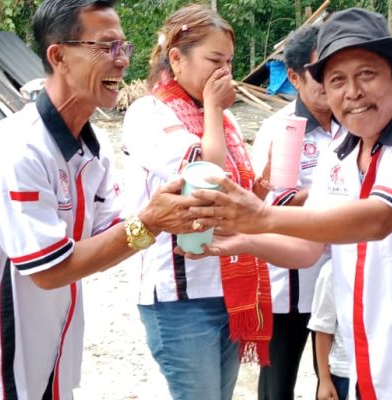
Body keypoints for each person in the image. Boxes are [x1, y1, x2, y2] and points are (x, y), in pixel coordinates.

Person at [185, 8, 392, 399]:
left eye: (366, 74)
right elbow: (308, 248)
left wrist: (260, 215)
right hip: (378, 367)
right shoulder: (340, 152)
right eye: (337, 80)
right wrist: (243, 241)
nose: (352, 92)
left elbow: (378, 219)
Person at [0, 1, 201, 399]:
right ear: (58, 56)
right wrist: (151, 222)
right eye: (106, 47)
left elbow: (110, 236)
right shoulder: (17, 149)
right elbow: (49, 270)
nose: (121, 61)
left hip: (49, 352)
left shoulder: (93, 149)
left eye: (124, 47)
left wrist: (171, 218)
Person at [120, 4, 272, 400]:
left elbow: (235, 198)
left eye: (229, 62)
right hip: (179, 297)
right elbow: (205, 175)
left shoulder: (223, 119)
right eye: (214, 61)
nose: (225, 73)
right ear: (176, 58)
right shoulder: (148, 112)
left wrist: (264, 185)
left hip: (227, 285)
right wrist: (214, 109)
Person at [250, 24, 345, 400]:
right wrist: (333, 193)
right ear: (293, 77)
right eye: (318, 72)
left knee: (336, 380)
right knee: (277, 386)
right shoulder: (280, 130)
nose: (329, 81)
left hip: (342, 278)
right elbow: (269, 205)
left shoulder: (352, 124)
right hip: (291, 285)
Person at [308, 260, 350, 400]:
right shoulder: (332, 270)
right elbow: (323, 329)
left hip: (388, 375)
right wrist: (324, 379)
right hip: (345, 374)